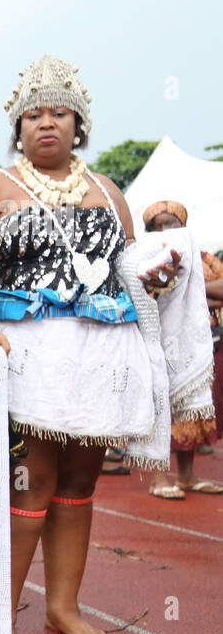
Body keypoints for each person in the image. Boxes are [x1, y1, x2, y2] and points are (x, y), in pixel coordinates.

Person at [0, 55, 161, 634]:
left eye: (60, 113)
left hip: (102, 355)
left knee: (79, 481)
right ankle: (1, 615)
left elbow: (129, 273)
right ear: (18, 128)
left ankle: (63, 608)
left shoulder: (109, 193)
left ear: (79, 125)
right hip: (27, 357)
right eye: (33, 115)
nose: (46, 123)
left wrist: (161, 275)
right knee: (30, 482)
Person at [140, 201, 221, 498]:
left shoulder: (203, 259)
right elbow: (147, 292)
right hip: (154, 344)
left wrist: (191, 288)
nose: (163, 230)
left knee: (189, 409)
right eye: (156, 226)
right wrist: (197, 293)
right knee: (159, 409)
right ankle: (159, 479)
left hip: (195, 346)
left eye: (170, 224)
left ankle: (186, 476)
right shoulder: (142, 257)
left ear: (182, 226)